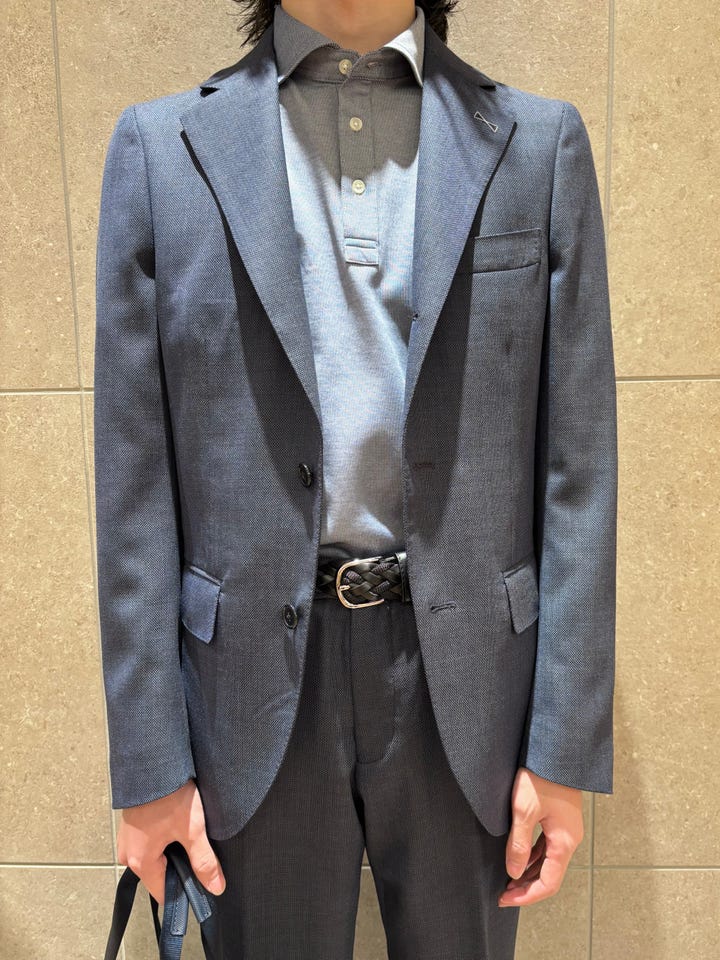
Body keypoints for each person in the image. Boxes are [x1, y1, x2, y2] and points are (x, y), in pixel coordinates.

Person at [93, 0, 617, 957]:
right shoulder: (161, 152)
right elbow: (132, 489)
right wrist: (149, 763)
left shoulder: (539, 147)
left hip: (474, 695)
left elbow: (577, 471)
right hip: (245, 696)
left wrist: (563, 748)